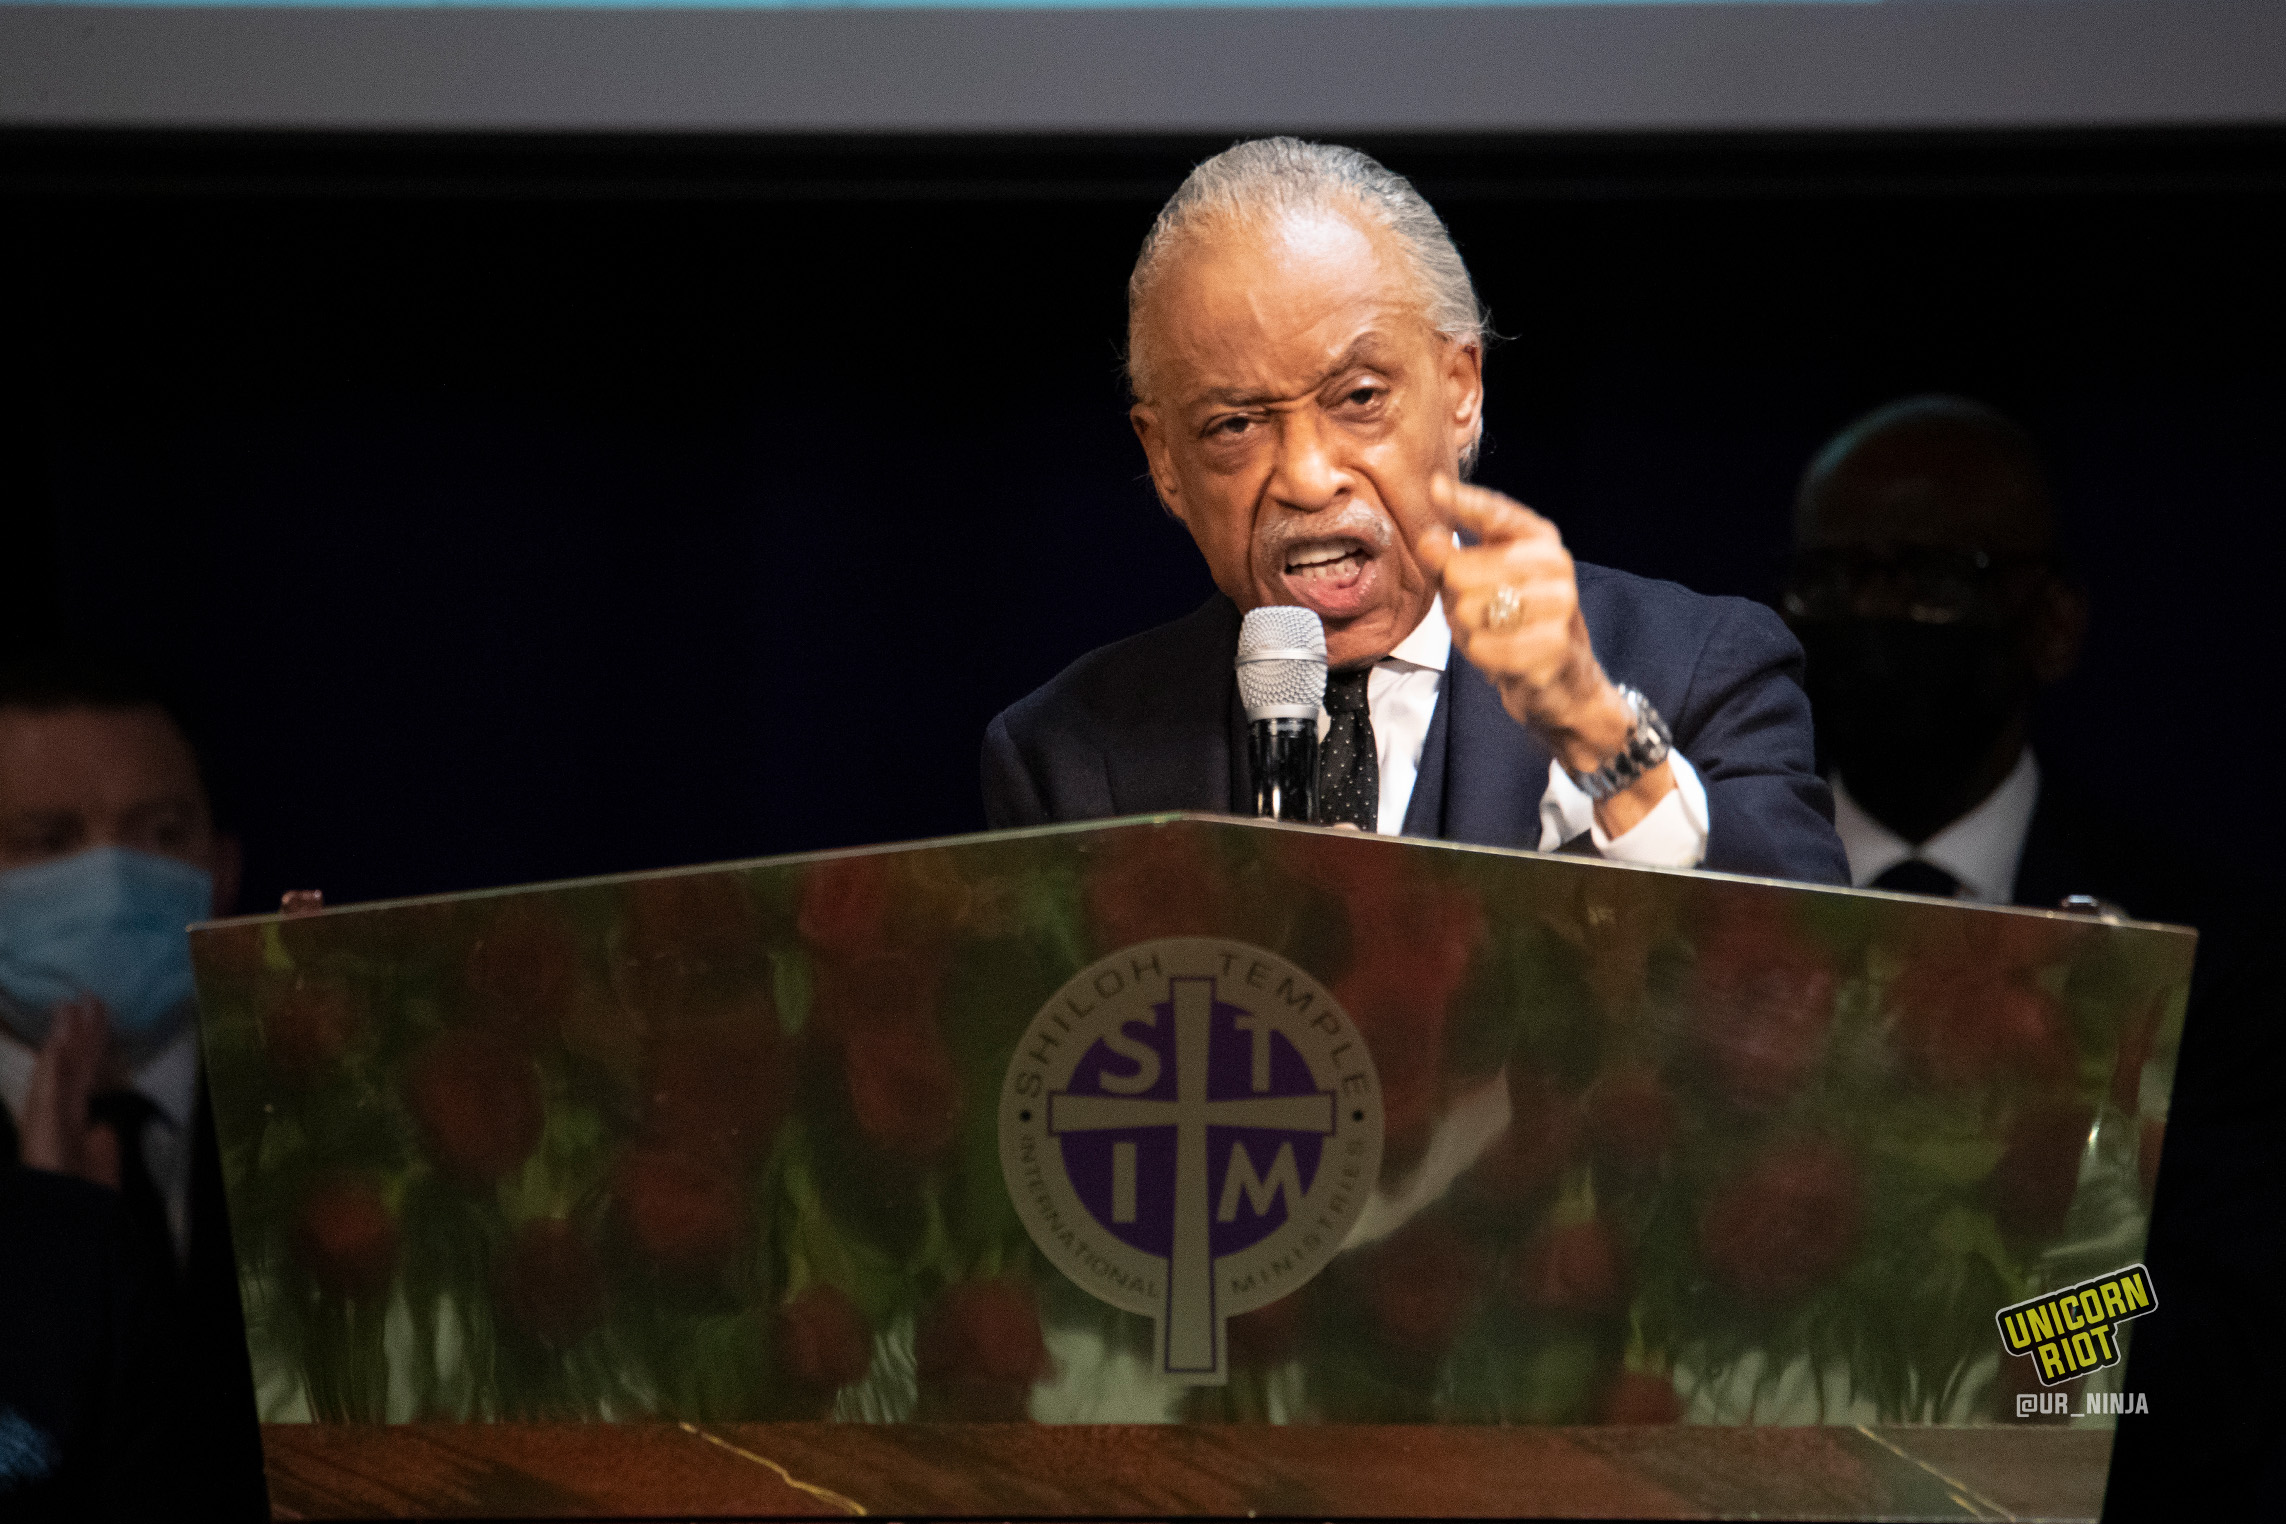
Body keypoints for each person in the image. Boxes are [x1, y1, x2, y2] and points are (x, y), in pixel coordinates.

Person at [981, 138, 1846, 885]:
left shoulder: (1697, 671)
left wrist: (1594, 729)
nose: (1309, 477)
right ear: (1163, 460)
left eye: (1358, 397)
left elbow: (1816, 992)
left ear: (1461, 389)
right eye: (1236, 424)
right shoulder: (1067, 754)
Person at [0, 652, 266, 1517]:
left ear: (222, 870)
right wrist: (51, 1249)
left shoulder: (331, 1111)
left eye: (159, 833)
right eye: (50, 840)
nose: (114, 877)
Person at [1785, 394, 2199, 916]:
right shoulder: (1707, 883)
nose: (1872, 610)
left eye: (1936, 580)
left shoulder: (2196, 940)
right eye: (1831, 578)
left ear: (2053, 625)